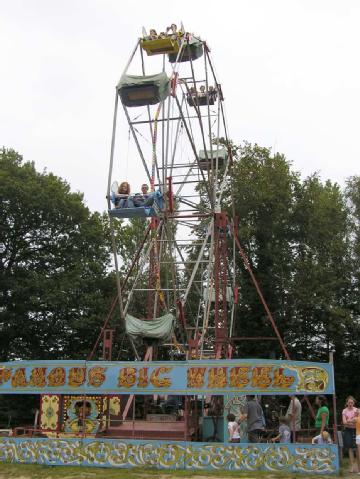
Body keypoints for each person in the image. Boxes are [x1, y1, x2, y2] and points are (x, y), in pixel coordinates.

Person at [342, 395, 358, 473]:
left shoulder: (357, 410)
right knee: (350, 449)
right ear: (347, 403)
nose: (350, 404)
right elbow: (344, 423)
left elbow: (357, 421)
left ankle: (358, 466)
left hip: (357, 430)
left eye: (352, 402)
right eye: (349, 402)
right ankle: (352, 467)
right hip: (348, 430)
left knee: (358, 449)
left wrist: (349, 421)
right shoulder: (344, 411)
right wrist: (352, 421)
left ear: (354, 403)